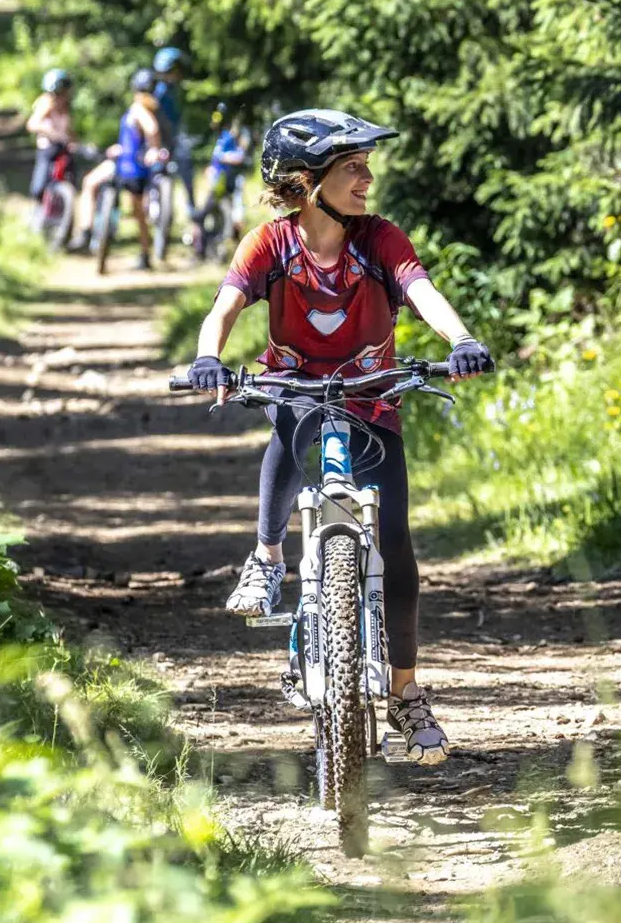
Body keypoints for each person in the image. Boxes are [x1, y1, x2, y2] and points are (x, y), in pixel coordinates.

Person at [182, 109, 495, 763]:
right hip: (296, 389)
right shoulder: (269, 243)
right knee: (290, 425)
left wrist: (460, 339)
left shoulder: (380, 239)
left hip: (372, 402)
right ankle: (268, 558)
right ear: (306, 179)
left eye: (365, 164)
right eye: (352, 167)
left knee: (397, 545)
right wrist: (210, 356)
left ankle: (406, 695)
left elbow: (422, 291)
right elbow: (224, 307)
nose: (367, 177)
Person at [69, 69, 166, 270]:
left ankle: (86, 232)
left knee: (92, 184)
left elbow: (152, 130)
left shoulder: (140, 109)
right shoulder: (145, 109)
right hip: (127, 164)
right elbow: (136, 137)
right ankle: (144, 253)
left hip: (129, 167)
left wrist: (154, 148)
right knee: (137, 213)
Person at [190, 102, 251, 244]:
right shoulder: (219, 136)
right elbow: (214, 157)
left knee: (236, 212)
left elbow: (240, 156)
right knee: (207, 212)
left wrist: (224, 158)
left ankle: (232, 241)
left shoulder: (238, 135)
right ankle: (202, 241)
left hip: (232, 179)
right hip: (217, 180)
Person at [153, 46, 196, 212]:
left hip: (172, 138)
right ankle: (190, 207)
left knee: (185, 166)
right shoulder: (160, 92)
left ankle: (191, 208)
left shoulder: (171, 91)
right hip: (163, 139)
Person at [27, 69, 75, 199]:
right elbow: (32, 124)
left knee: (71, 177)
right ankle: (38, 207)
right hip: (48, 148)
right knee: (39, 186)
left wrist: (73, 141)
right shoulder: (46, 103)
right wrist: (53, 133)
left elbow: (68, 130)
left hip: (63, 149)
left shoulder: (66, 107)